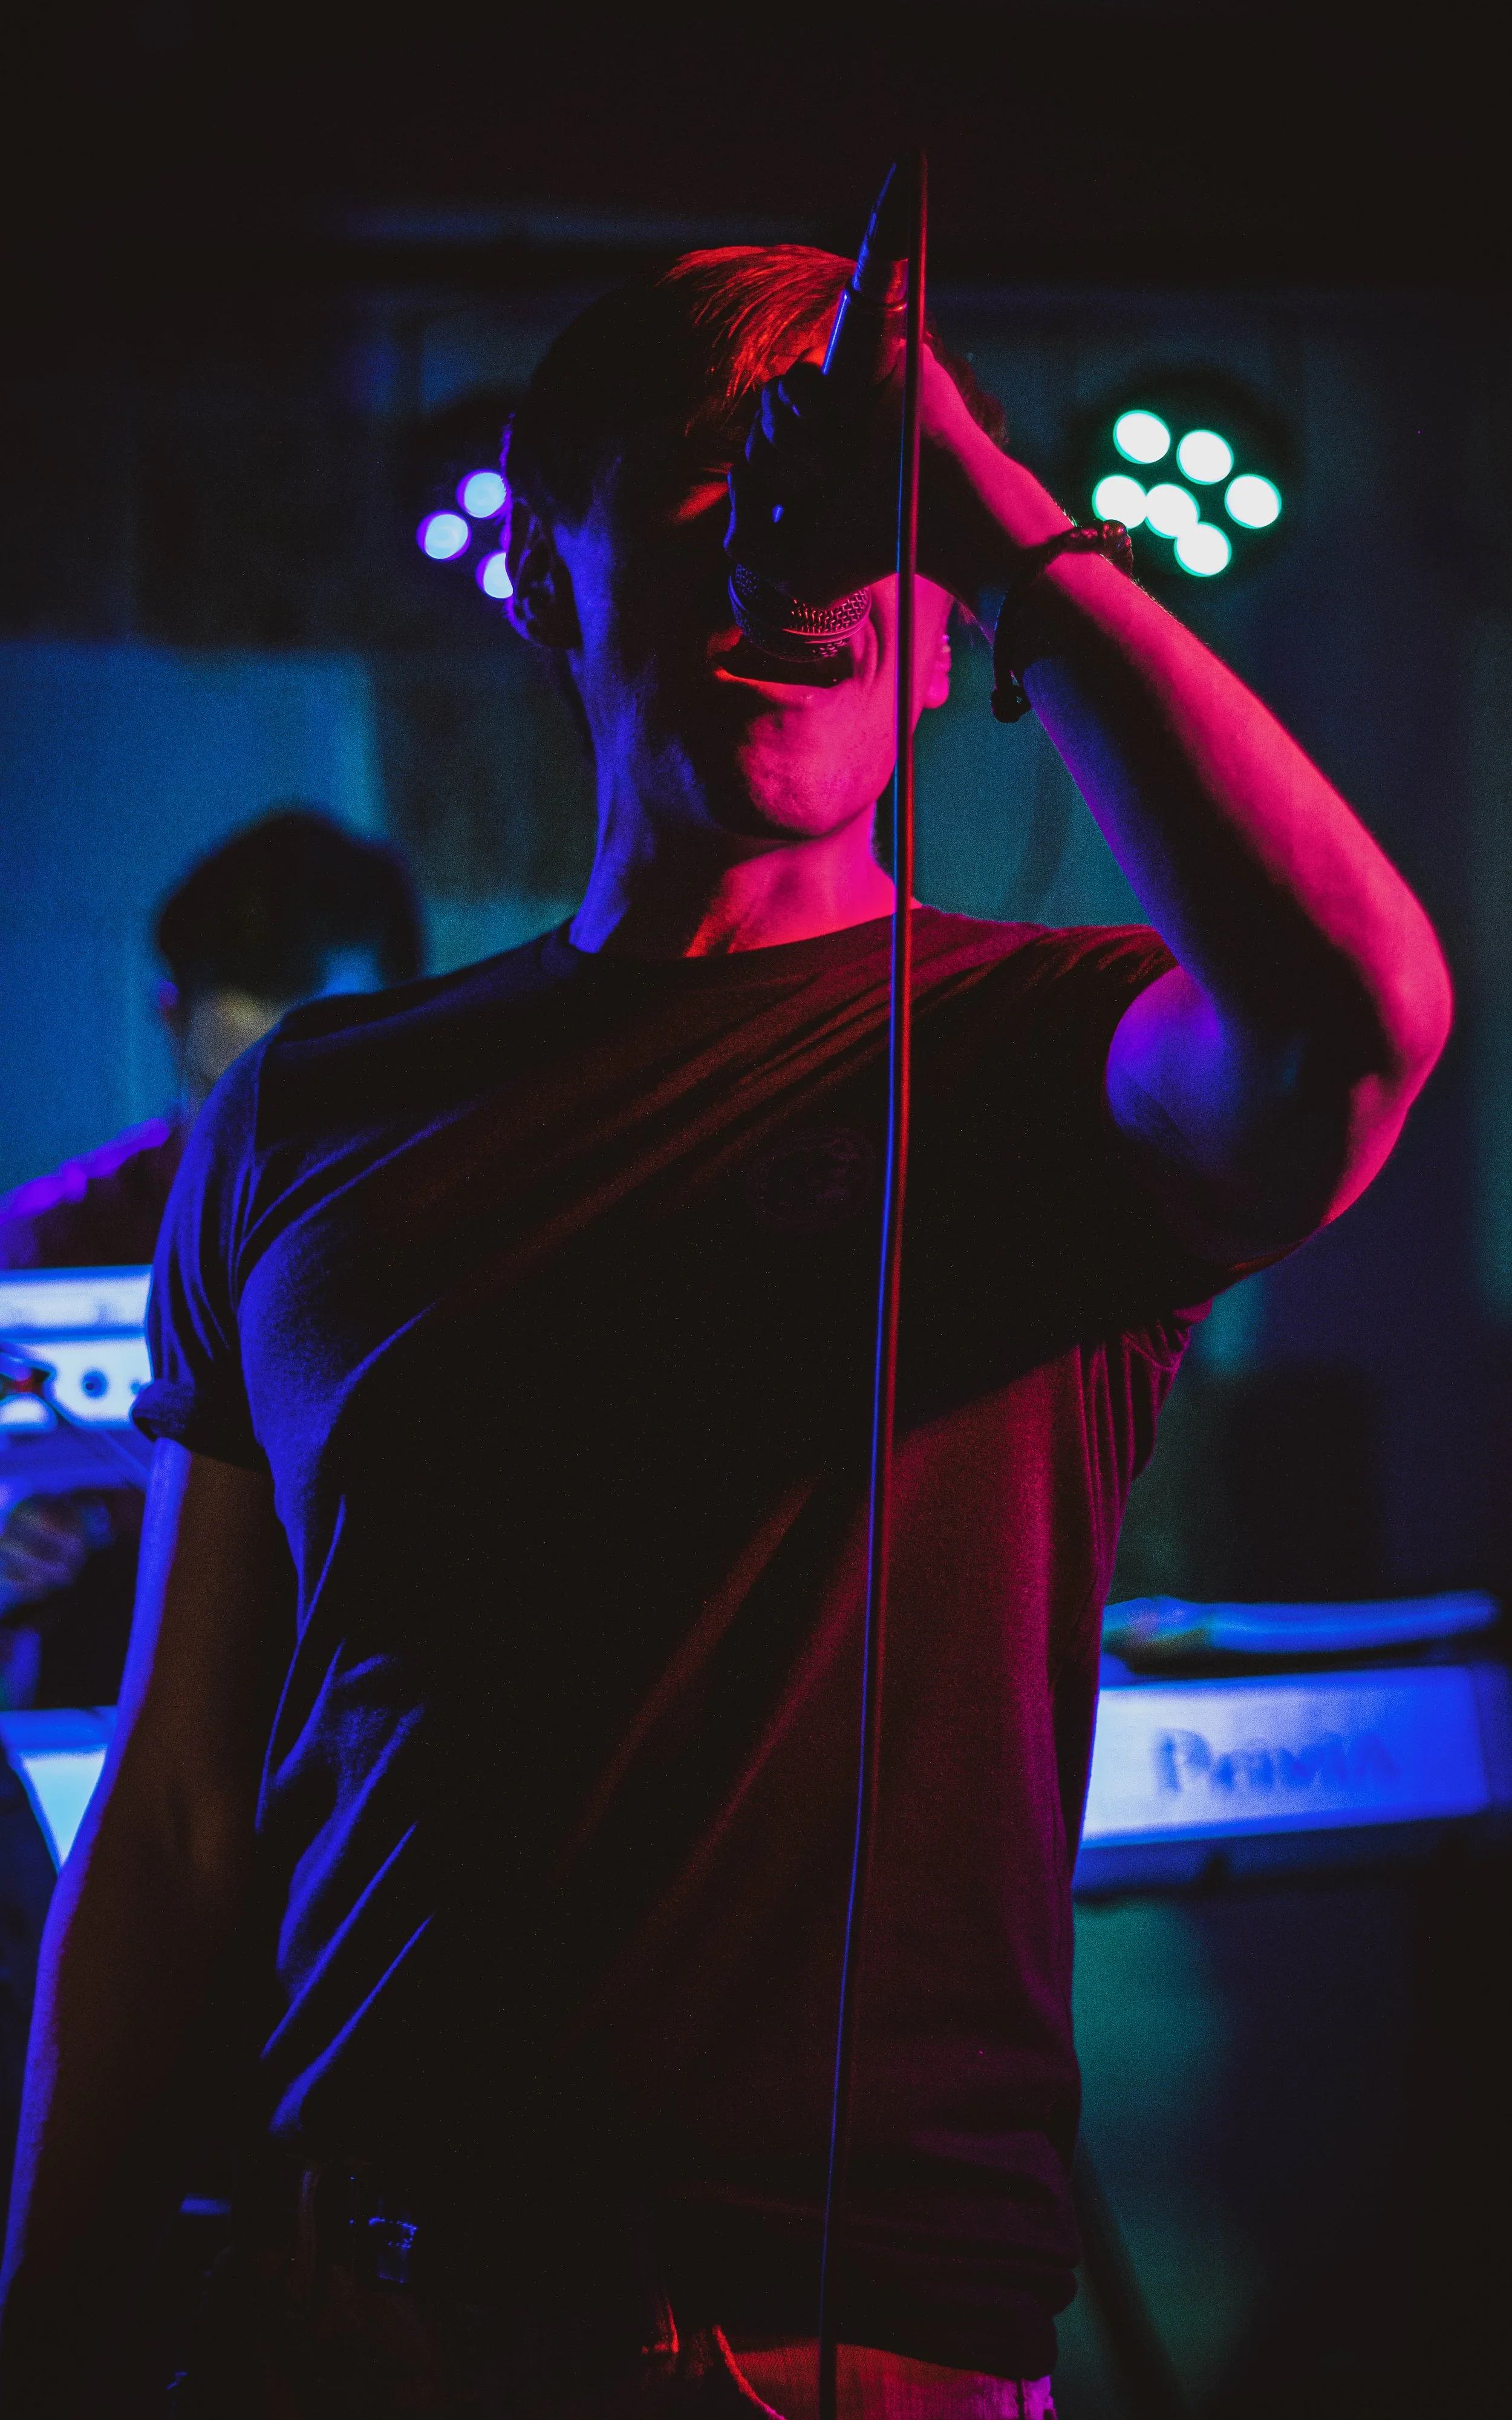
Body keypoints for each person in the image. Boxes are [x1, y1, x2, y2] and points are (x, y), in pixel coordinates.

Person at [0, 246, 1450, 2420]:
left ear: (944, 599)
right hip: (333, 2315)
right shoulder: (308, 1114)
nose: (798, 551)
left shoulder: (1040, 1062)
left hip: (820, 2356)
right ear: (544, 579)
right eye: (718, 480)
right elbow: (190, 1806)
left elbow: (1358, 1021)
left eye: (842, 492)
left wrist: (981, 503)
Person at [0, 808, 423, 1705]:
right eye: (224, 1102)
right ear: (169, 1017)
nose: (258, 1161)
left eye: (313, 1101)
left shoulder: (449, 1244)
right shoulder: (42, 1251)